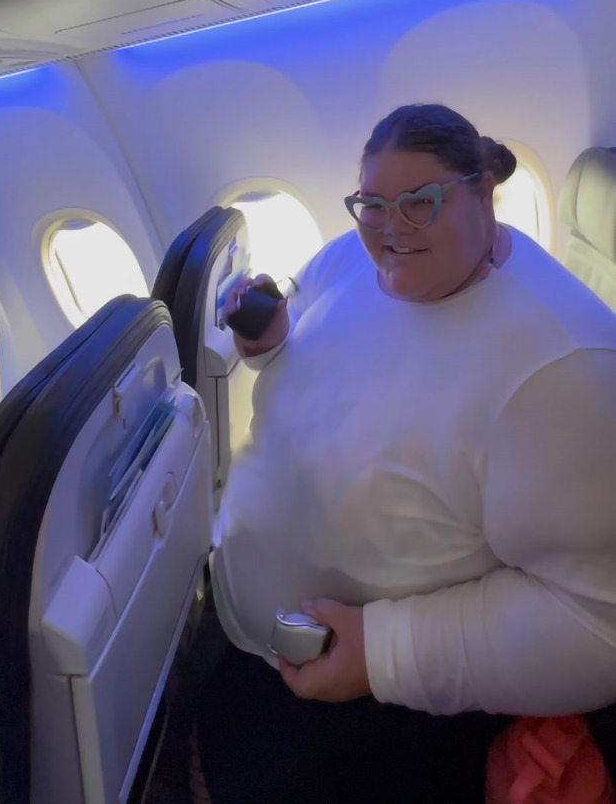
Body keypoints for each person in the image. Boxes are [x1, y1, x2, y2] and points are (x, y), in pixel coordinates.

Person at [191, 104, 616, 804]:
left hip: (373, 706)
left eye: (419, 203)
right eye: (372, 204)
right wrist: (268, 338)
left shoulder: (562, 369)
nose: (390, 228)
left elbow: (596, 622)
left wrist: (385, 654)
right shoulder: (357, 261)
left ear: (483, 190)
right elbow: (310, 319)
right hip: (253, 636)